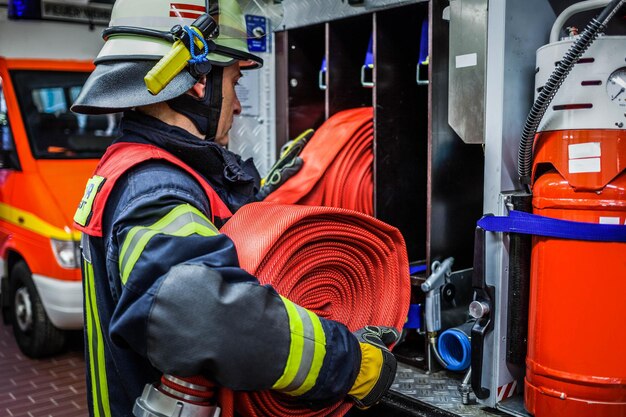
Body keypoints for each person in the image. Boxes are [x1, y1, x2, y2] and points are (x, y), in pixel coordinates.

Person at [71, 1, 399, 416]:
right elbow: (199, 313)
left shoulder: (146, 168)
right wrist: (349, 362)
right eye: (234, 81)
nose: (238, 104)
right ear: (196, 82)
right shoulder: (154, 187)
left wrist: (260, 204)